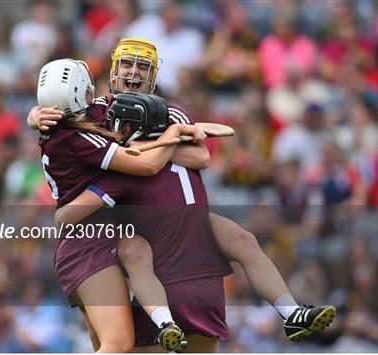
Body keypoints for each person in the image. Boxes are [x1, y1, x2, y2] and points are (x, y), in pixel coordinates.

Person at [29, 38, 336, 349]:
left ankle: (291, 312)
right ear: (114, 71)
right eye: (127, 64)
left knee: (245, 240)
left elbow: (200, 158)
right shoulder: (96, 113)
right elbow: (61, 115)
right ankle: (163, 321)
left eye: (143, 66)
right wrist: (36, 115)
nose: (134, 71)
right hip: (122, 231)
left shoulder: (168, 112)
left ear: (152, 76)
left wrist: (147, 146)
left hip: (182, 221)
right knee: (119, 333)